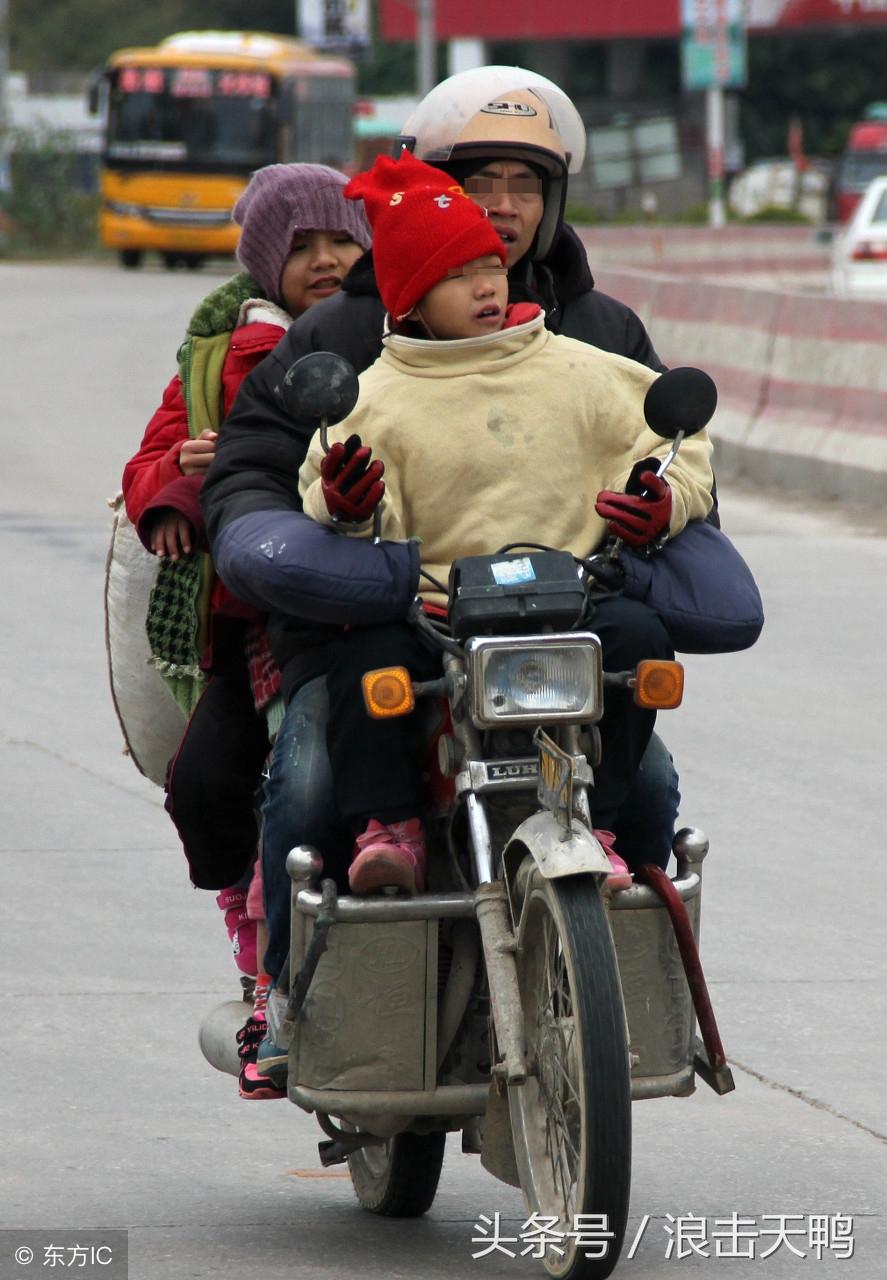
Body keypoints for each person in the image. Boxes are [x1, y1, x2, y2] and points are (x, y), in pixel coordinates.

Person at [200, 66, 687, 1087]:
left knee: (648, 776)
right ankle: (285, 994)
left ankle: (647, 958)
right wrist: (281, 529)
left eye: (525, 183)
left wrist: (670, 511)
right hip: (382, 631)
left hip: (552, 636)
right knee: (306, 779)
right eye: (480, 182)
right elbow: (256, 465)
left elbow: (664, 457)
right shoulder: (340, 335)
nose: (503, 208)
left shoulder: (601, 337)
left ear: (553, 200)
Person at [296, 151, 714, 896]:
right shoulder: (374, 396)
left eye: (490, 264)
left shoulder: (587, 369)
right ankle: (387, 830)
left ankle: (603, 826)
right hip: (435, 622)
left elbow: (678, 449)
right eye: (458, 274)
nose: (486, 283)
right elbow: (321, 493)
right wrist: (345, 505)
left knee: (641, 641)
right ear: (413, 299)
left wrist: (664, 501)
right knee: (367, 667)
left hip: (572, 608)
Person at [120, 163, 371, 1098]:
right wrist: (176, 492)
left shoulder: (390, 334)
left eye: (339, 241)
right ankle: (262, 971)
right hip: (245, 628)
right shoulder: (214, 352)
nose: (322, 260)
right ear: (266, 259)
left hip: (361, 611)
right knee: (209, 788)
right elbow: (149, 458)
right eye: (299, 246)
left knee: (334, 780)